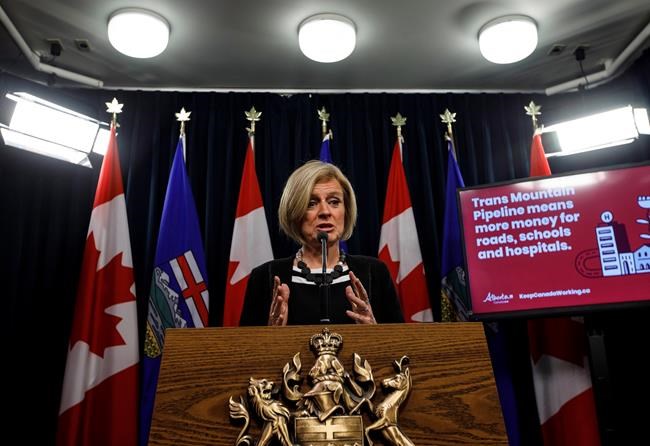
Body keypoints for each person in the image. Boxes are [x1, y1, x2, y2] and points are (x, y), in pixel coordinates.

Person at [240, 160, 404, 326]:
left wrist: (373, 331)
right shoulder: (265, 277)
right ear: (295, 212)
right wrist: (270, 335)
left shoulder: (374, 273)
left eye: (334, 202)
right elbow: (245, 342)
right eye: (311, 203)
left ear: (346, 210)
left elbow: (400, 342)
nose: (325, 212)